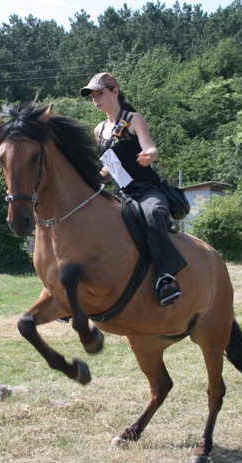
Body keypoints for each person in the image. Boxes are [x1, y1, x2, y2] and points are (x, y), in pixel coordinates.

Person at [80, 72, 186, 306]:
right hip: (121, 195)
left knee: (153, 214)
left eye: (100, 93)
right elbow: (108, 171)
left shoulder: (134, 119)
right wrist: (86, 183)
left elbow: (150, 148)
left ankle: (166, 277)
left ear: (115, 92)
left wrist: (151, 154)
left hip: (148, 190)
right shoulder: (99, 131)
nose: (96, 99)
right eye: (92, 96)